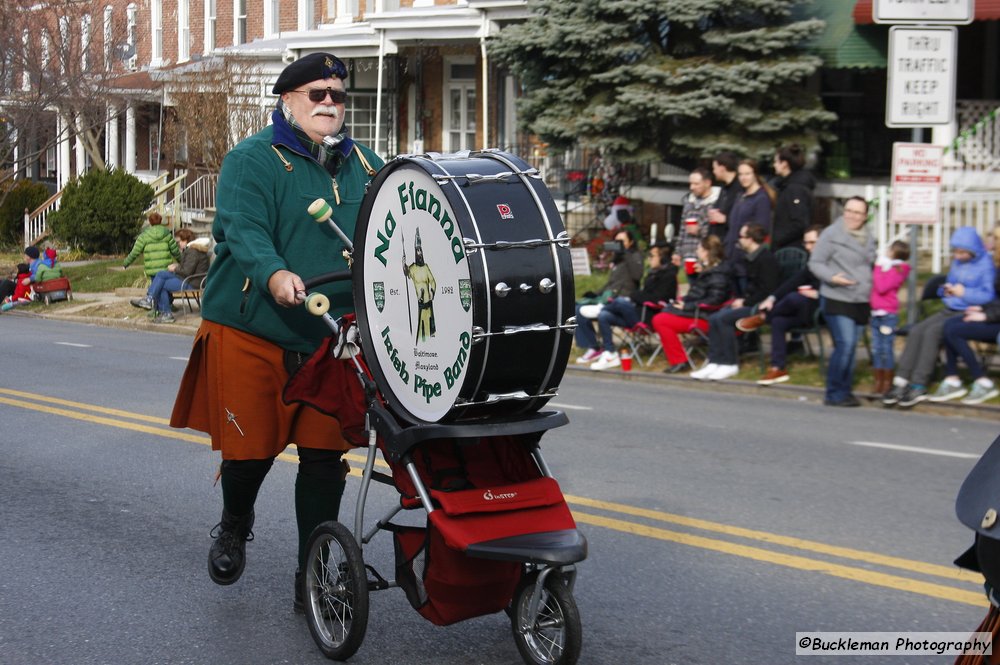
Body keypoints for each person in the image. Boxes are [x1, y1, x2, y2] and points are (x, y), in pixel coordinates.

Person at [168, 53, 385, 605]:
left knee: (322, 457)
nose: (331, 103)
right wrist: (273, 273)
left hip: (331, 335)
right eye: (318, 94)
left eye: (338, 94)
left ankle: (311, 572)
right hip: (254, 326)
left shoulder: (365, 163)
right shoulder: (253, 158)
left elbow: (393, 229)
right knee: (250, 452)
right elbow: (243, 230)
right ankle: (235, 522)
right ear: (287, 101)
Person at [882, 226, 996, 409]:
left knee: (932, 333)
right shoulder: (957, 263)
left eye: (962, 252)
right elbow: (948, 283)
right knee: (918, 330)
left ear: (972, 251)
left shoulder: (985, 266)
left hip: (968, 311)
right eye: (955, 252)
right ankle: (901, 380)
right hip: (950, 307)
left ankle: (919, 383)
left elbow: (988, 297)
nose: (957, 256)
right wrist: (945, 290)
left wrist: (964, 292)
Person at [808, 196, 876, 407]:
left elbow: (870, 263)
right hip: (837, 296)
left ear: (865, 216)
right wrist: (832, 277)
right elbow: (815, 262)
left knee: (851, 346)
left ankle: (844, 390)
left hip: (861, 297)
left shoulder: (870, 236)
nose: (853, 216)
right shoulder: (831, 234)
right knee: (845, 344)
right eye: (849, 210)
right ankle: (834, 392)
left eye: (858, 212)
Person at [737, 225, 824, 385]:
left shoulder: (831, 261)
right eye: (806, 243)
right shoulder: (812, 262)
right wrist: (772, 298)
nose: (808, 247)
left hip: (822, 309)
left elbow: (838, 286)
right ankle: (778, 368)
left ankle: (763, 317)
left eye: (812, 242)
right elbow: (794, 281)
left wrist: (819, 293)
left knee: (793, 297)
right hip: (803, 309)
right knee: (778, 321)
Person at [690, 223, 778, 380]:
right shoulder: (750, 258)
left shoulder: (766, 259)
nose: (739, 240)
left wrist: (745, 302)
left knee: (724, 319)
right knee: (715, 317)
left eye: (742, 237)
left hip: (759, 306)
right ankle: (715, 360)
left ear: (751, 239)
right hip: (749, 301)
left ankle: (729, 363)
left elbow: (767, 290)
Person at [579, 242, 678, 372]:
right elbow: (643, 294)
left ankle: (602, 307)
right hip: (636, 312)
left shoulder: (669, 277)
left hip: (647, 316)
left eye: (652, 256)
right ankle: (610, 353)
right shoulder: (652, 274)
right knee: (605, 316)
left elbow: (659, 299)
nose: (649, 258)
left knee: (620, 301)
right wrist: (636, 297)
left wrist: (635, 296)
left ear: (663, 258)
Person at [929, 225, 1000, 405]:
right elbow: (995, 298)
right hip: (993, 315)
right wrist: (983, 310)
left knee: (955, 330)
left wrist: (987, 316)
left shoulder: (988, 265)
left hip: (995, 321)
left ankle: (981, 380)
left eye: (997, 239)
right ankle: (952, 379)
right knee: (950, 325)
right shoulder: (996, 263)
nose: (991, 243)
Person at [651, 235, 732, 372]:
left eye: (699, 248)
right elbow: (699, 292)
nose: (697, 251)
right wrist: (695, 276)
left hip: (704, 317)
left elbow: (714, 299)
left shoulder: (718, 273)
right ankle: (678, 359)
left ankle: (679, 360)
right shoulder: (709, 270)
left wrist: (687, 306)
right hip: (697, 312)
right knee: (664, 314)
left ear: (706, 251)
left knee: (661, 320)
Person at [575, 227, 645, 367]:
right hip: (608, 296)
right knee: (577, 309)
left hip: (623, 299)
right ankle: (593, 347)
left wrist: (625, 253)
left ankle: (601, 348)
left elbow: (638, 275)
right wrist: (596, 293)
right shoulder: (617, 259)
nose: (618, 243)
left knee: (597, 312)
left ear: (630, 242)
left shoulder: (634, 255)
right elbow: (611, 283)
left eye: (622, 241)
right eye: (616, 241)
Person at [131, 228, 211, 323]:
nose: (179, 244)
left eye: (179, 241)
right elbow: (189, 268)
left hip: (192, 282)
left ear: (186, 240)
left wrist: (175, 268)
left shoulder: (193, 252)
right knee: (161, 274)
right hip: (191, 279)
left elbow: (187, 271)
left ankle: (161, 310)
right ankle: (151, 300)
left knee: (162, 285)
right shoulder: (194, 250)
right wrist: (177, 266)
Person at [869, 240, 911, 395]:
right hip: (876, 313)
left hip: (887, 315)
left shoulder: (898, 269)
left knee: (886, 348)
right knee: (876, 348)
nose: (886, 251)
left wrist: (879, 267)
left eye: (889, 249)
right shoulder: (888, 267)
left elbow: (881, 286)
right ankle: (878, 379)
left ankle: (887, 381)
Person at [723, 159, 775, 261]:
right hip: (730, 253)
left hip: (746, 257)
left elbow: (761, 228)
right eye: (740, 174)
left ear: (755, 174)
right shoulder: (740, 196)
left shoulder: (761, 199)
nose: (743, 178)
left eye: (747, 174)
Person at [672, 168, 718, 279]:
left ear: (708, 183)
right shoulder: (689, 202)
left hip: (706, 259)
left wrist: (699, 230)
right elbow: (682, 229)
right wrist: (677, 252)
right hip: (688, 258)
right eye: (691, 183)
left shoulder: (716, 203)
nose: (692, 187)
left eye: (696, 184)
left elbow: (716, 232)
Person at [771, 144, 815, 251]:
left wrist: (778, 239)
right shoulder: (787, 186)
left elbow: (800, 222)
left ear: (784, 164)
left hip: (790, 249)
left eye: (776, 162)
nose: (774, 165)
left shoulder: (795, 189)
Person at [402, 229, 437, 342]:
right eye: (417, 251)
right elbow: (406, 272)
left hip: (429, 302)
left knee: (430, 329)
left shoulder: (426, 267)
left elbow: (433, 281)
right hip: (420, 302)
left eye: (420, 251)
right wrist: (403, 264)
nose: (419, 254)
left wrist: (432, 292)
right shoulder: (413, 268)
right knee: (422, 329)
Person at [123, 211, 181, 278]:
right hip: (166, 268)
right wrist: (183, 262)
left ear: (150, 222)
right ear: (160, 221)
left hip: (152, 269)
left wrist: (126, 263)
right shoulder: (167, 234)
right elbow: (175, 252)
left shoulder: (144, 236)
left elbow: (135, 252)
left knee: (155, 286)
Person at [707, 151, 742, 241]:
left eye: (714, 168)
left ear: (722, 168)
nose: (713, 172)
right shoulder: (724, 188)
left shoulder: (740, 189)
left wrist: (726, 219)